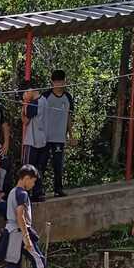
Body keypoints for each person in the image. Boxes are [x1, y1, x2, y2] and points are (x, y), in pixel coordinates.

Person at [4, 165, 46, 268]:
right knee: (39, 261)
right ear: (26, 178)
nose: (33, 185)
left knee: (13, 263)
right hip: (20, 232)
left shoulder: (12, 192)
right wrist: (26, 237)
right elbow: (20, 215)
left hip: (12, 232)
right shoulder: (22, 193)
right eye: (33, 181)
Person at [37, 70, 75, 198]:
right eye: (56, 82)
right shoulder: (45, 96)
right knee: (41, 164)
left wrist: (71, 135)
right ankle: (39, 190)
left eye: (61, 81)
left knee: (58, 165)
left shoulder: (68, 97)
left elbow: (69, 117)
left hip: (59, 137)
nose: (58, 84)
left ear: (65, 81)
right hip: (45, 137)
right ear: (52, 82)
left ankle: (58, 189)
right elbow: (38, 116)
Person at [21, 86, 46, 202]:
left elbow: (25, 120)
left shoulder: (33, 103)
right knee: (38, 168)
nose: (25, 94)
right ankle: (38, 193)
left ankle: (24, 194)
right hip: (43, 139)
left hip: (32, 140)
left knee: (27, 168)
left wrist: (25, 103)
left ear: (31, 90)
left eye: (26, 91)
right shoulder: (44, 100)